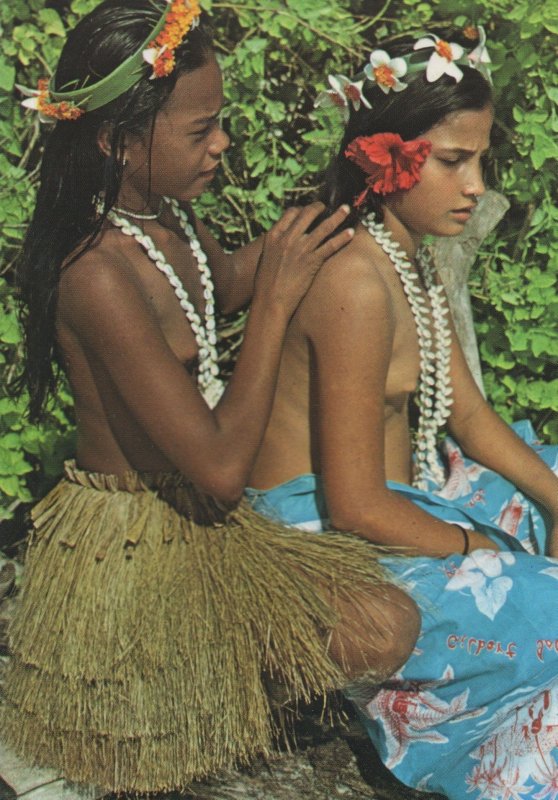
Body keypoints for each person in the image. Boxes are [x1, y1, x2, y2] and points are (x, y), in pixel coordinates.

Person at [2, 1, 421, 794]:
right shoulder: (96, 275)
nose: (221, 144)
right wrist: (274, 304)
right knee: (371, 626)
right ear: (116, 142)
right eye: (200, 132)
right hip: (139, 536)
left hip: (200, 525)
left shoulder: (163, 223)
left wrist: (345, 192)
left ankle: (235, 666)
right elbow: (223, 469)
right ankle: (206, 672)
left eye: (219, 123)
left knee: (388, 623)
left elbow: (225, 283)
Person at [246, 27, 558, 800]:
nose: (475, 186)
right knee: (533, 596)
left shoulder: (402, 254)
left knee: (547, 474)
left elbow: (472, 420)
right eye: (454, 161)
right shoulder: (353, 279)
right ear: (387, 155)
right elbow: (352, 505)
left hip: (399, 495)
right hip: (331, 536)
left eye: (480, 160)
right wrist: (479, 546)